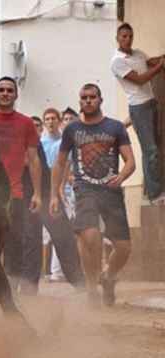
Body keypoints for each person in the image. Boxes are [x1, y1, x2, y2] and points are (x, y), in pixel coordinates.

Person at [50, 83, 136, 307]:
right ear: (80, 101)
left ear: (100, 99)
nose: (88, 101)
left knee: (124, 247)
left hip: (111, 191)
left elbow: (131, 162)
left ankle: (108, 277)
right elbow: (59, 164)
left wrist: (122, 176)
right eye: (84, 97)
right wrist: (53, 195)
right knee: (90, 236)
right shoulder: (72, 130)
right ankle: (91, 289)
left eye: (92, 97)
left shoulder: (115, 127)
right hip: (84, 189)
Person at [0, 76, 42, 292]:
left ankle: (11, 287)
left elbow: (34, 159)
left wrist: (37, 193)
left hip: (15, 193)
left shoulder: (26, 123)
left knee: (14, 241)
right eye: (1, 90)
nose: (5, 93)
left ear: (16, 95)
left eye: (9, 90)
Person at [20, 108, 85, 294]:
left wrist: (55, 195)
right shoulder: (23, 147)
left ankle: (78, 282)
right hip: (28, 200)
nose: (34, 128)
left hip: (49, 197)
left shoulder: (40, 146)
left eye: (36, 126)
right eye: (31, 126)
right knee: (31, 241)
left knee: (64, 238)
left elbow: (56, 168)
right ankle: (29, 288)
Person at [111, 22, 165, 204]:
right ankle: (155, 194)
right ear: (117, 38)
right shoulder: (117, 61)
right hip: (139, 108)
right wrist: (159, 67)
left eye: (130, 36)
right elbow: (140, 80)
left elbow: (151, 61)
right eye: (124, 36)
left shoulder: (138, 54)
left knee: (156, 148)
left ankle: (153, 189)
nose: (128, 39)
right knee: (150, 150)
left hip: (151, 103)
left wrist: (160, 59)